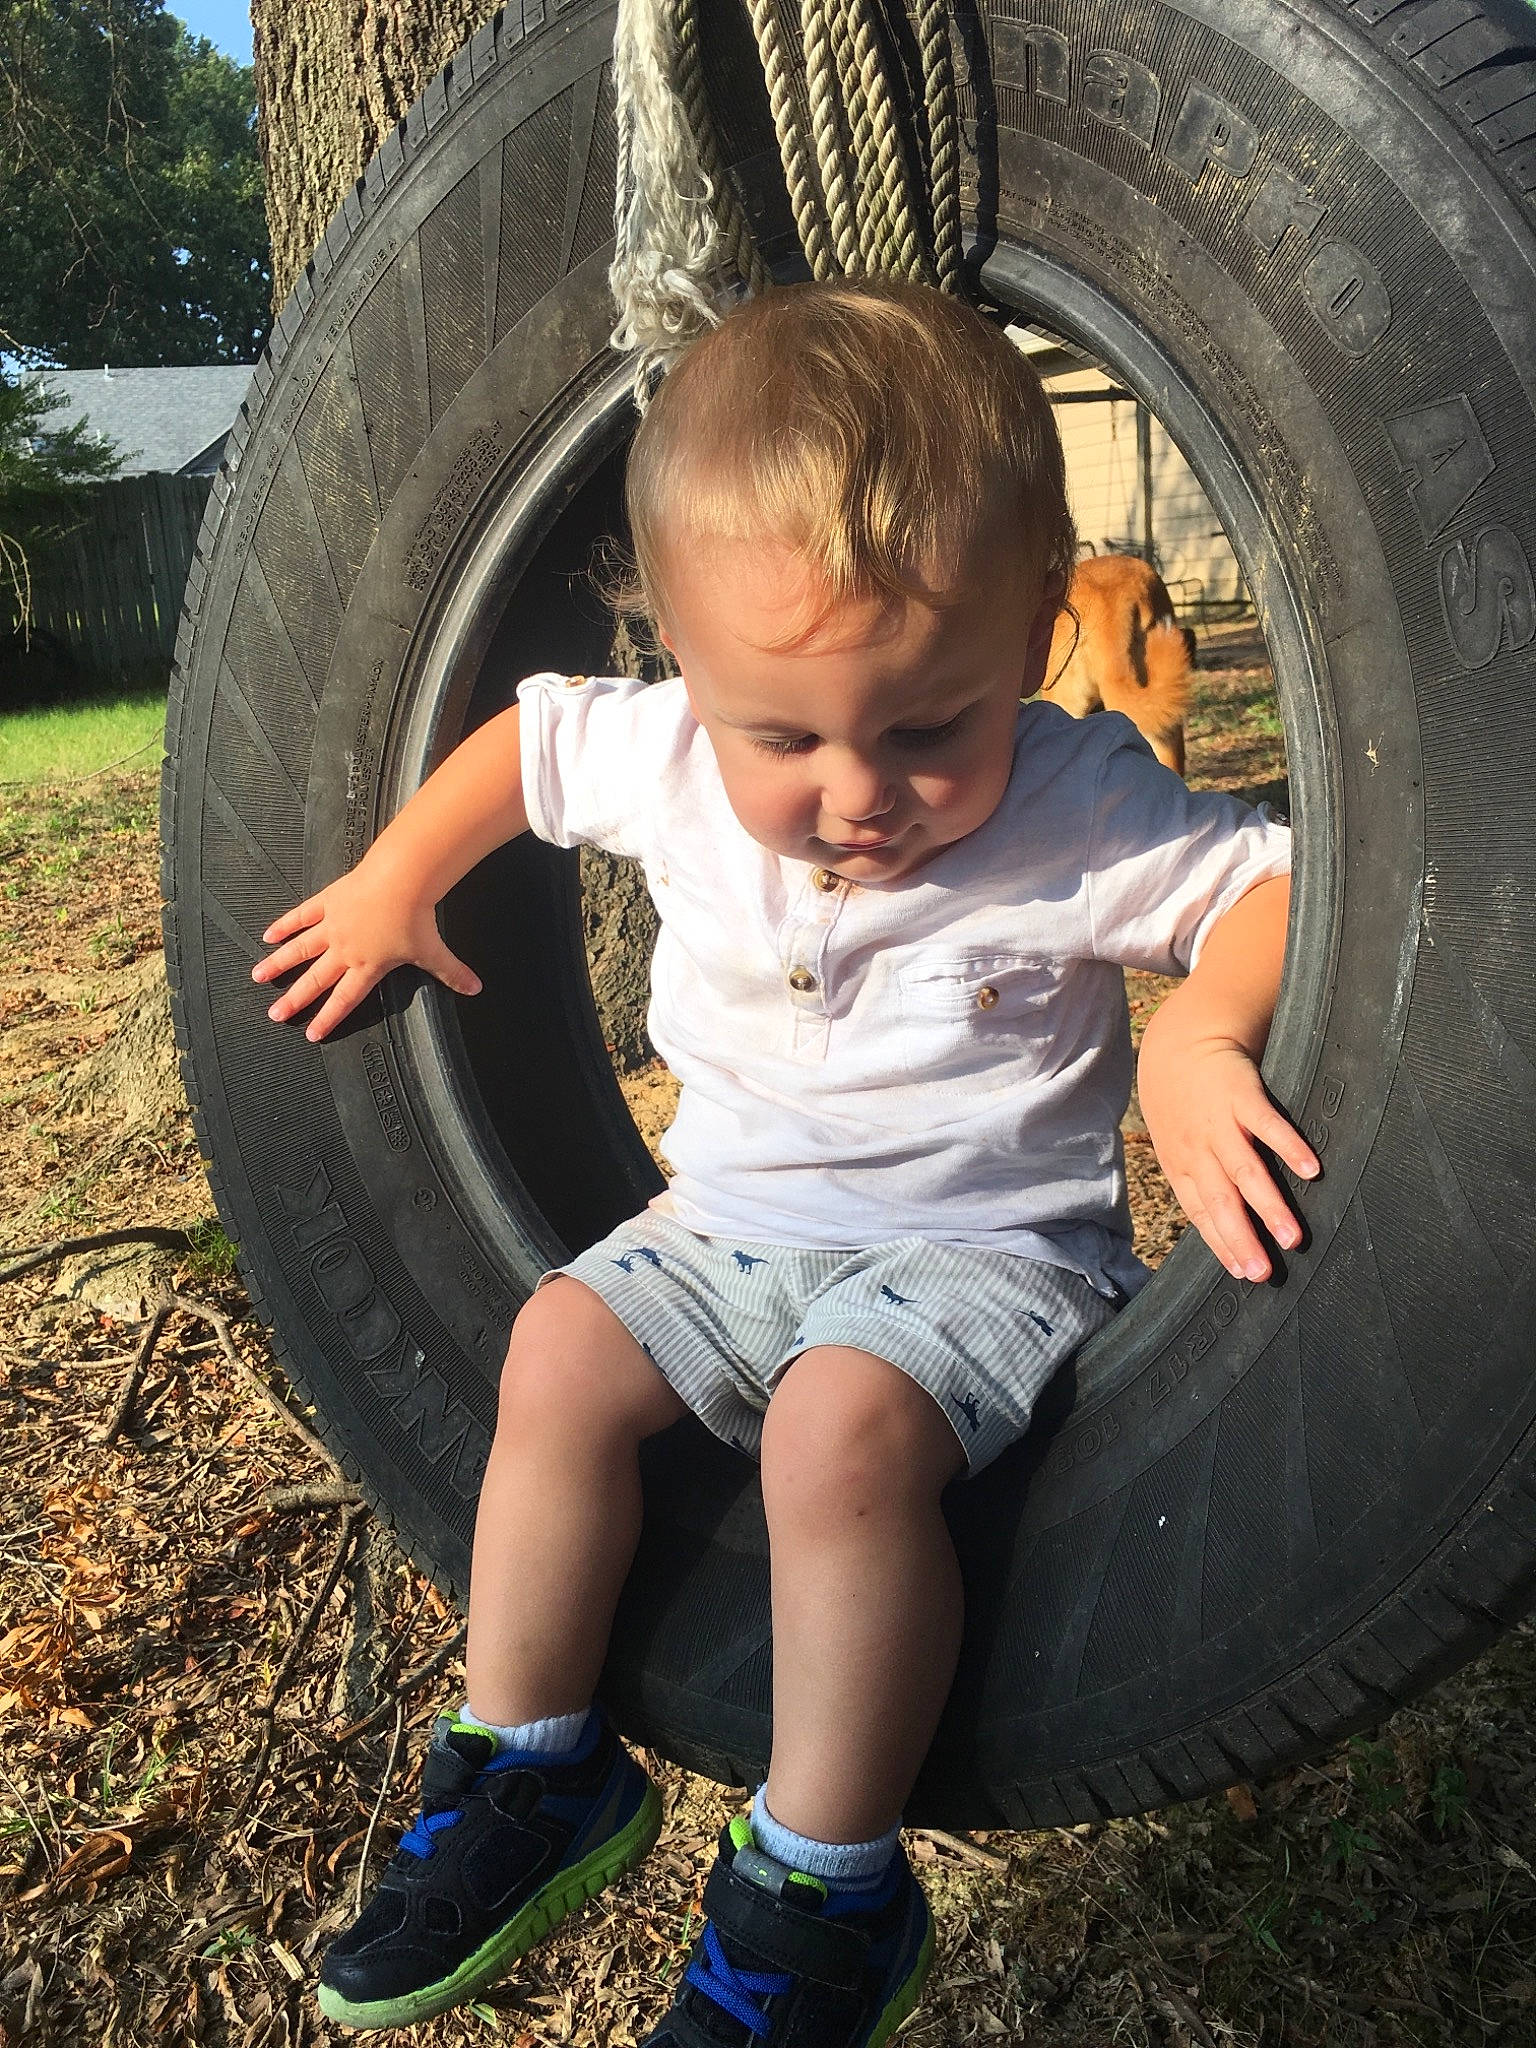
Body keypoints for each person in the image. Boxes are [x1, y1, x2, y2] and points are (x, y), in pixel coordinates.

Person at [251, 278, 1319, 2044]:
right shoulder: (674, 748)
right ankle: (532, 1764)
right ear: (684, 654)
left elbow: (1270, 884)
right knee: (555, 1351)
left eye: (926, 728)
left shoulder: (1071, 798)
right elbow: (532, 743)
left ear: (1033, 635)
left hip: (987, 1255)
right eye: (785, 736)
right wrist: (395, 879)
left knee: (835, 1430)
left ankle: (825, 1892)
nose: (857, 790)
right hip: (725, 1225)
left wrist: (1198, 1034)